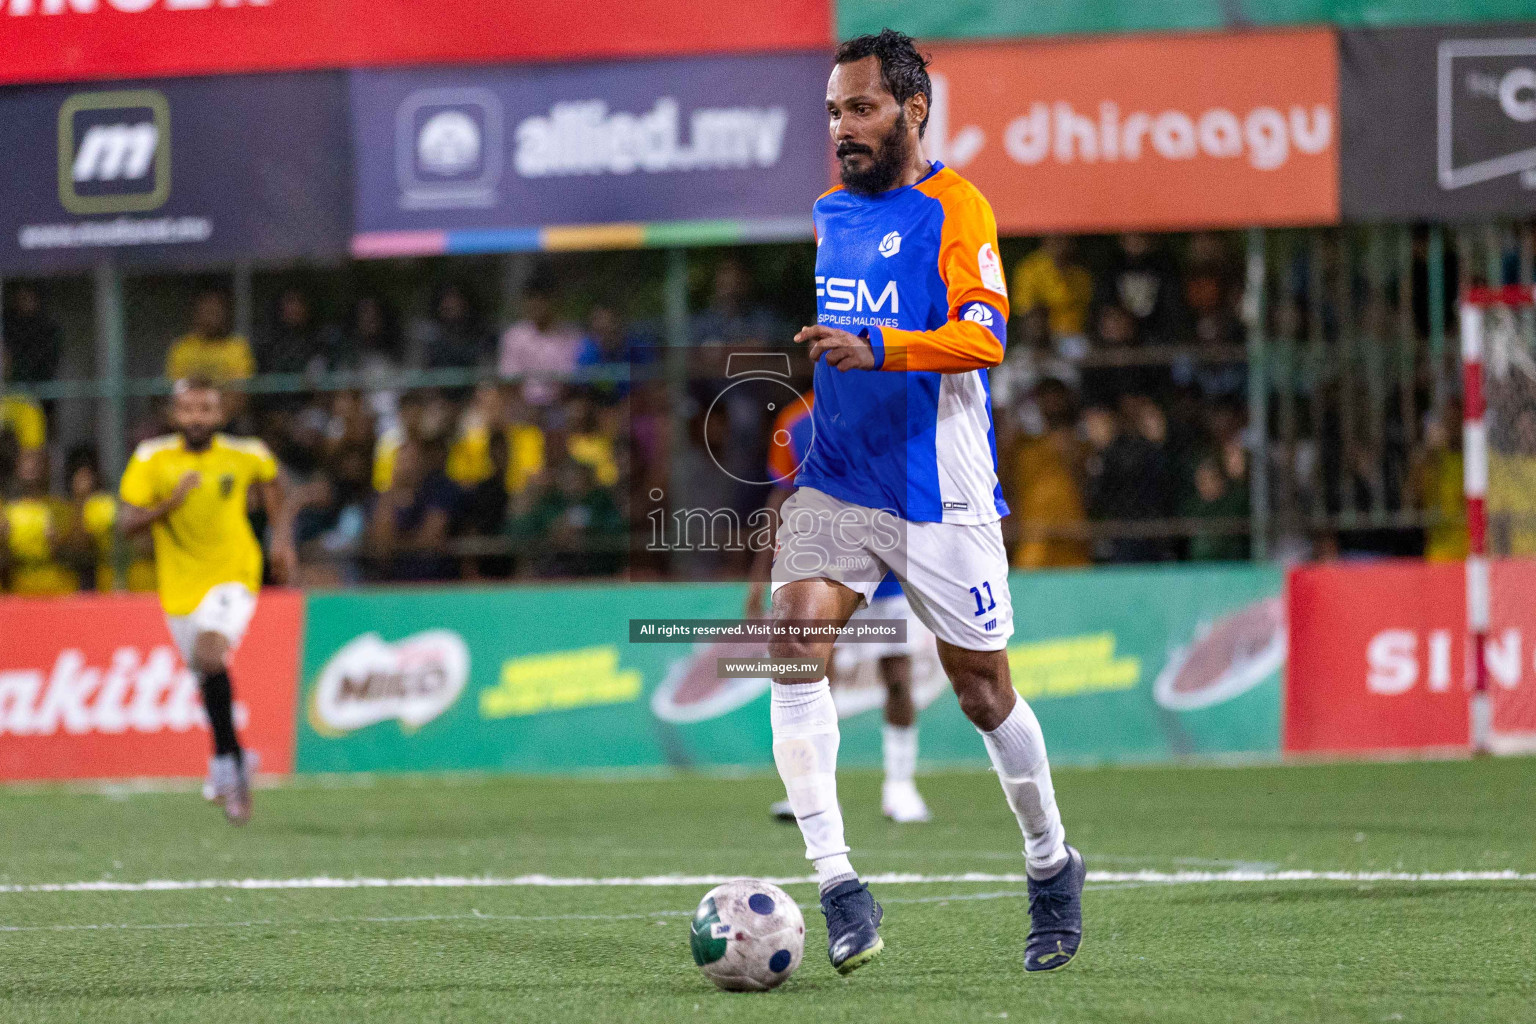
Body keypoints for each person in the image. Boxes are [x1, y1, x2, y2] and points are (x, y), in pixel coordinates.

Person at [766, 31, 1083, 978]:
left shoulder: (959, 207)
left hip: (939, 489)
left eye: (858, 108)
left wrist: (883, 346)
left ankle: (1051, 864)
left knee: (983, 692)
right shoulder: (830, 211)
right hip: (840, 476)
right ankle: (838, 886)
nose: (842, 129)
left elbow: (984, 338)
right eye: (832, 112)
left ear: (912, 109)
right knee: (791, 644)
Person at [746, 390, 931, 824]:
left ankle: (900, 788)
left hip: (886, 564)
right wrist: (760, 576)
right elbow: (780, 500)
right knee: (813, 675)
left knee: (898, 676)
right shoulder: (794, 420)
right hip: (823, 565)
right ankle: (811, 790)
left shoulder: (890, 407)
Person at [118, 378, 297, 825]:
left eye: (206, 409)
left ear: (220, 415)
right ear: (174, 414)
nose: (197, 417)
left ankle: (226, 764)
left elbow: (276, 483)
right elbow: (125, 524)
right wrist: (171, 503)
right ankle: (235, 758)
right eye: (189, 409)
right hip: (179, 587)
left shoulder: (245, 453)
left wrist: (282, 540)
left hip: (234, 574)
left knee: (209, 655)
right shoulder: (151, 459)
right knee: (206, 674)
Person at [165, 291, 255, 386]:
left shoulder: (237, 347)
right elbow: (175, 388)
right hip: (190, 398)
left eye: (217, 312)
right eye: (208, 312)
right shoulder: (182, 347)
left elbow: (240, 391)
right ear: (197, 314)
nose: (213, 318)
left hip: (224, 399)